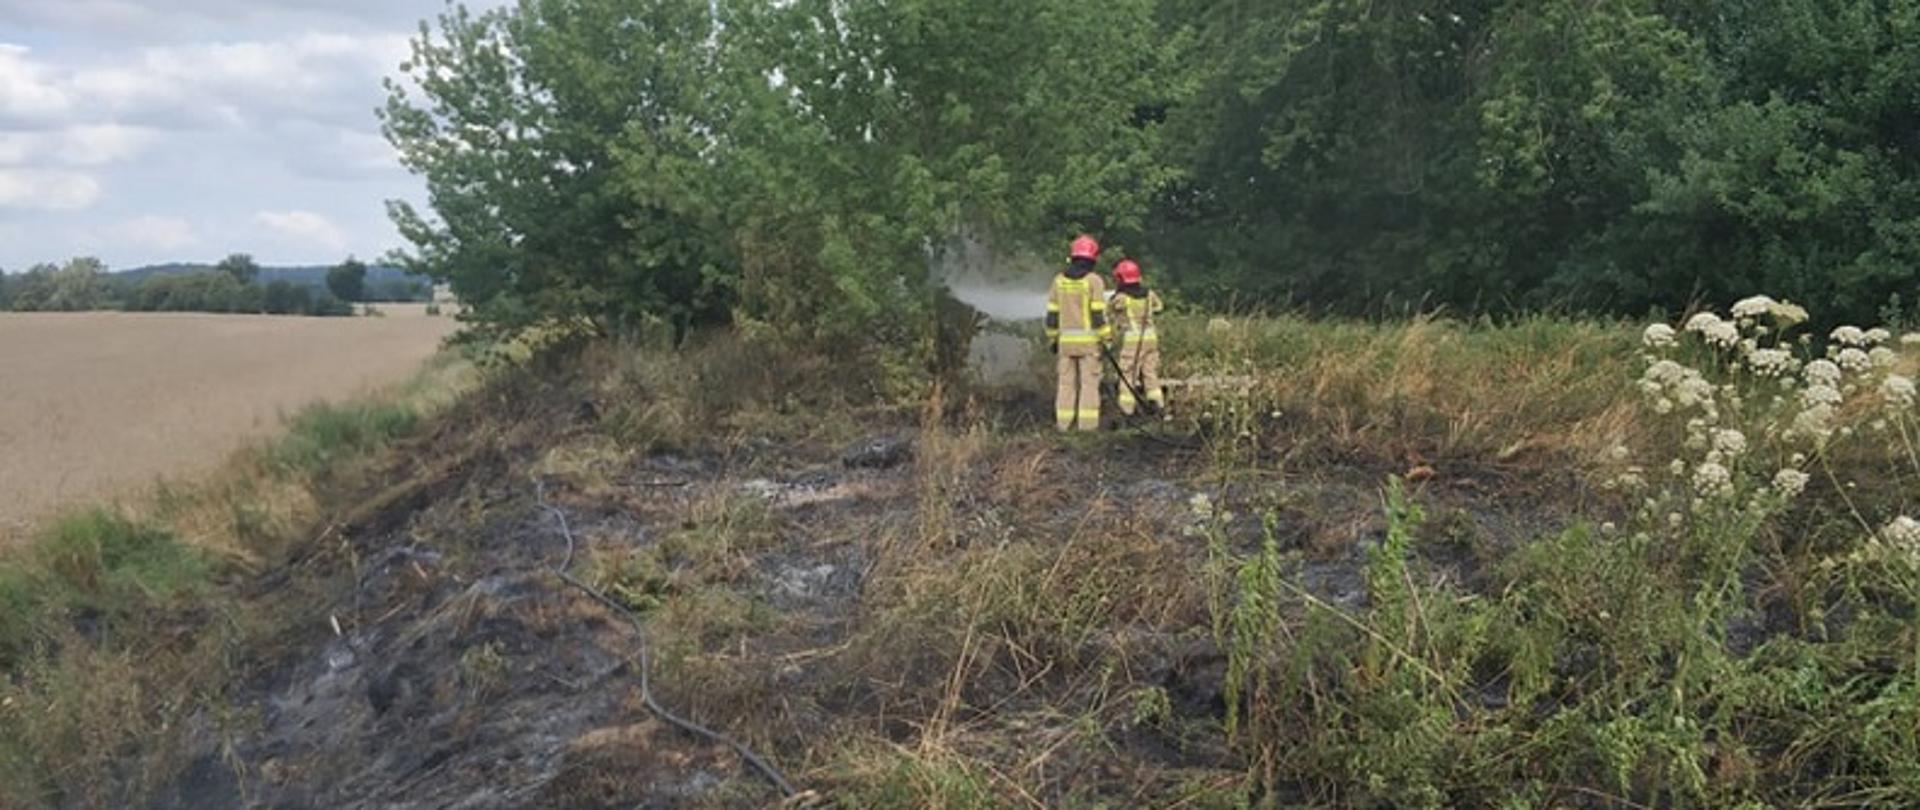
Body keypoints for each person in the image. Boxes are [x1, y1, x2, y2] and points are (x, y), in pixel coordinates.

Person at [1045, 235, 1112, 431]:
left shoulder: (1058, 281)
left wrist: (1052, 339)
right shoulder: (1094, 281)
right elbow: (1098, 315)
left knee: (1066, 385)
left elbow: (1052, 316)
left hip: (1065, 343)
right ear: (1092, 258)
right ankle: (1087, 428)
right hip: (1089, 344)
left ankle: (1064, 425)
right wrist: (1107, 339)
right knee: (1089, 385)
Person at [1108, 258, 1165, 416]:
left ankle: (1127, 411)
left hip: (1133, 340)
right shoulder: (1149, 294)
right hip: (1151, 338)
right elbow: (1159, 307)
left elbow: (1109, 310)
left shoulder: (1121, 298)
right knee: (1150, 373)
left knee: (1128, 374)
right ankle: (1158, 406)